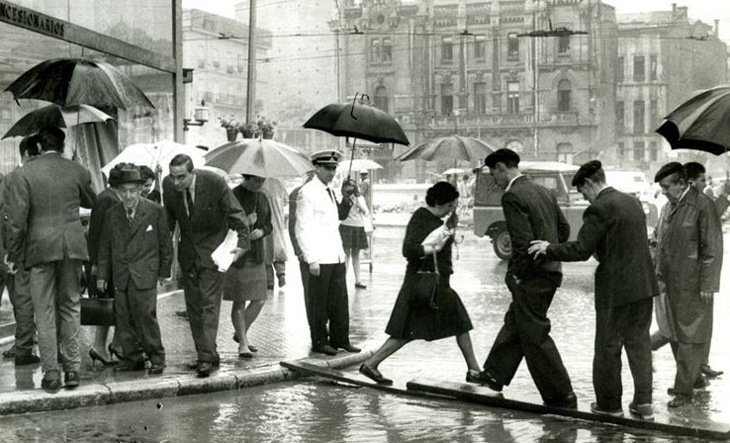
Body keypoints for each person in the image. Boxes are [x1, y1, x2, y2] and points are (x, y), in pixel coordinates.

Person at [528, 160, 657, 420]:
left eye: (582, 192)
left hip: (614, 291)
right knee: (639, 345)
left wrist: (548, 248)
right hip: (643, 286)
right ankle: (643, 404)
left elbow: (581, 250)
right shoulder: (632, 202)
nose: (585, 199)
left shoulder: (599, 208)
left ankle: (609, 405)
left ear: (589, 183)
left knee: (608, 348)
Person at [469, 148, 576, 409]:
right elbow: (564, 229)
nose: (493, 178)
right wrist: (548, 249)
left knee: (534, 334)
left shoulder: (513, 195)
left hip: (532, 275)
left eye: (493, 172)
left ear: (503, 167)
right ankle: (494, 374)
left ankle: (561, 395)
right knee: (516, 321)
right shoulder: (543, 191)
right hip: (551, 270)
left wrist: (516, 273)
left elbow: (521, 241)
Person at [359, 182, 481, 384]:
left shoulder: (435, 219)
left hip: (438, 282)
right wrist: (434, 247)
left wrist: (448, 232)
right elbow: (409, 250)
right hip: (423, 282)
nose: (451, 210)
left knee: (458, 323)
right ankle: (371, 364)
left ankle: (474, 369)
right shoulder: (421, 218)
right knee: (409, 330)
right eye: (450, 205)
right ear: (440, 203)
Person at [6, 126, 96, 393]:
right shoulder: (77, 169)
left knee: (43, 311)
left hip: (39, 249)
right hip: (71, 246)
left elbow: (18, 223)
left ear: (38, 147)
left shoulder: (23, 174)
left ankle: (51, 373)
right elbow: (92, 201)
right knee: (70, 306)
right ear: (64, 145)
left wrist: (13, 253)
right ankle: (72, 370)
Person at [162, 154, 250, 378]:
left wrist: (243, 243)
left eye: (181, 177)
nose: (176, 182)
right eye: (173, 177)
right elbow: (169, 223)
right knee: (193, 306)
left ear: (192, 173)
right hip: (188, 256)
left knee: (209, 304)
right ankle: (208, 352)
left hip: (214, 253)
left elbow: (236, 213)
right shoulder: (169, 187)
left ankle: (205, 357)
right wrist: (165, 258)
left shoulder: (213, 183)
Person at [653, 162, 723, 407]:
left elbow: (712, 248)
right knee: (675, 333)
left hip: (693, 284)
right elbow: (662, 243)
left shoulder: (703, 205)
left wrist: (708, 283)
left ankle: (684, 391)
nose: (663, 192)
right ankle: (692, 379)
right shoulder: (670, 207)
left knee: (689, 337)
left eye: (666, 187)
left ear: (682, 184)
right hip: (671, 282)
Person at [97, 167, 172, 375]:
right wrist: (102, 276)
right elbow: (104, 246)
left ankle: (157, 357)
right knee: (123, 317)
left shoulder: (155, 210)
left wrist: (165, 271)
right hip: (121, 274)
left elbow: (165, 244)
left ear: (140, 190)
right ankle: (132, 358)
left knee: (146, 316)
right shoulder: (112, 214)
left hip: (145, 274)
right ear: (118, 191)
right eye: (124, 191)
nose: (128, 196)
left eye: (132, 191)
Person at [296, 150, 360, 355]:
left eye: (334, 169)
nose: (332, 172)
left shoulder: (330, 190)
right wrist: (311, 258)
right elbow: (302, 228)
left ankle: (341, 339)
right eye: (327, 168)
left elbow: (336, 219)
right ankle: (320, 341)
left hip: (336, 253)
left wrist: (347, 197)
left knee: (339, 300)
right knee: (319, 302)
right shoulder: (307, 192)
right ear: (317, 168)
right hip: (319, 256)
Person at [0, 135, 41, 365]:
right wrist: (11, 251)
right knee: (22, 300)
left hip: (8, 248)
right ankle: (24, 347)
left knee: (21, 300)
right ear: (28, 154)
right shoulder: (17, 178)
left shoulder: (10, 178)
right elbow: (11, 218)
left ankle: (23, 344)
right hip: (12, 251)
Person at [224, 174, 271, 358]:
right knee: (240, 299)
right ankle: (243, 343)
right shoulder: (233, 194)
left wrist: (261, 231)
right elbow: (225, 222)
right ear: (247, 178)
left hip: (256, 254)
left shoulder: (263, 197)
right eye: (256, 180)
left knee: (260, 298)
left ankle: (240, 333)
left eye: (262, 180)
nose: (260, 184)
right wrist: (246, 222)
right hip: (239, 255)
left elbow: (269, 224)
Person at [86, 163, 128, 366]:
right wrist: (96, 265)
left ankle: (103, 346)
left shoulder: (107, 197)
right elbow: (97, 234)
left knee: (110, 304)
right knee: (111, 304)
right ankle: (106, 346)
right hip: (106, 262)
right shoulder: (109, 199)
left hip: (107, 260)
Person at [289, 170, 315, 330]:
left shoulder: (328, 193)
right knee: (311, 292)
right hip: (306, 251)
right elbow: (293, 225)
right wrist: (298, 250)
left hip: (326, 253)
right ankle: (316, 328)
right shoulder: (297, 194)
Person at [339, 179, 370, 289]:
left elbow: (366, 212)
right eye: (348, 186)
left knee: (355, 254)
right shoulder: (341, 197)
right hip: (346, 226)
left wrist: (359, 204)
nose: (350, 189)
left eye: (352, 186)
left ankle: (358, 280)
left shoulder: (359, 198)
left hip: (357, 226)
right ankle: (344, 279)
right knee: (346, 254)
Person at [261, 177, 288, 290]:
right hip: (278, 220)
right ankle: (281, 274)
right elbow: (286, 201)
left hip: (265, 222)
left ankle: (269, 281)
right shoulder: (278, 183)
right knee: (279, 250)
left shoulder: (259, 185)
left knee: (266, 251)